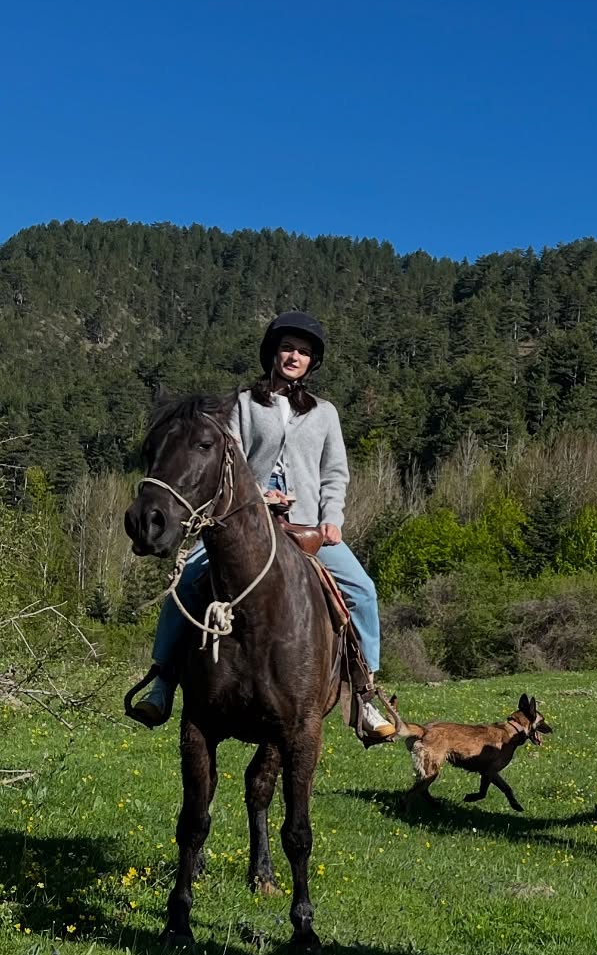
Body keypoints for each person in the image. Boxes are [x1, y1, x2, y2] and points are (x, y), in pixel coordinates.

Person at [126, 311, 395, 740]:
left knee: (362, 591)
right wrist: (257, 494)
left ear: (312, 362)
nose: (294, 357)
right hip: (242, 522)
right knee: (187, 582)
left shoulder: (325, 413)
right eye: (288, 348)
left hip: (306, 526)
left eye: (303, 352)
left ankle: (364, 694)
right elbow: (226, 460)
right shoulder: (242, 404)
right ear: (273, 352)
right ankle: (162, 682)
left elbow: (334, 473)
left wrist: (332, 519)